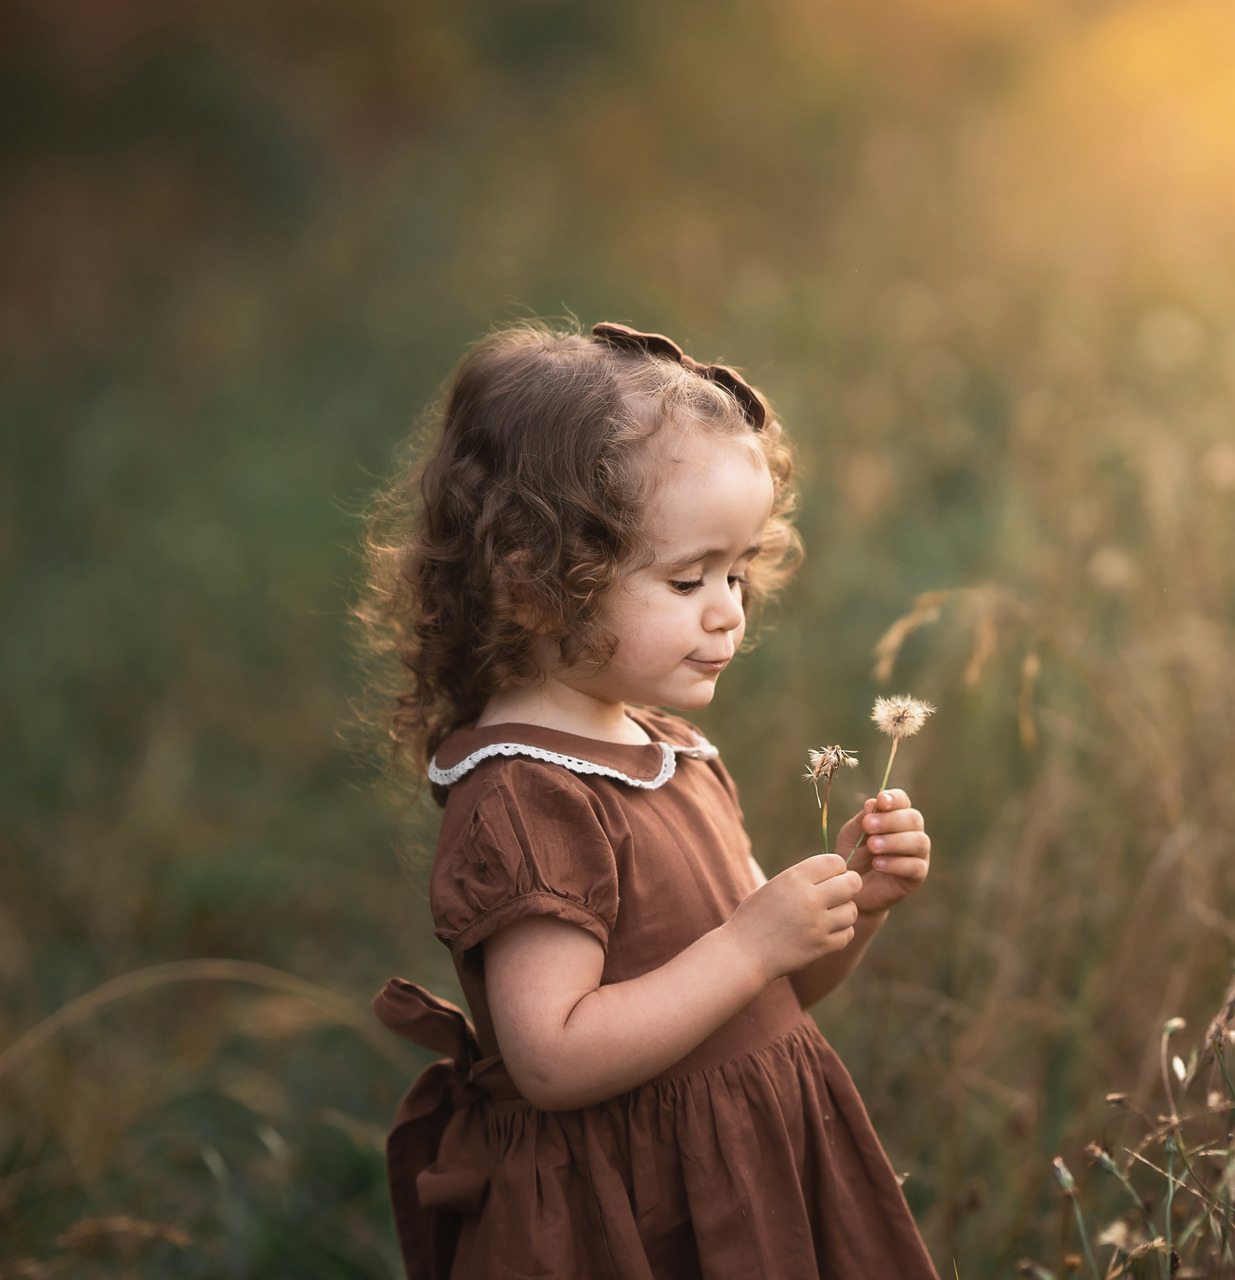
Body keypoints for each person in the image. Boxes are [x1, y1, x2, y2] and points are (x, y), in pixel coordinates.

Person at [357, 322, 940, 1279]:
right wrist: (751, 940)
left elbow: (770, 993)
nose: (729, 610)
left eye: (740, 571)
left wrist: (853, 908)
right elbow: (552, 1057)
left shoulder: (672, 751)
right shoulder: (526, 797)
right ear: (536, 581)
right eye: (686, 579)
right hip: (629, 1215)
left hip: (742, 1176)